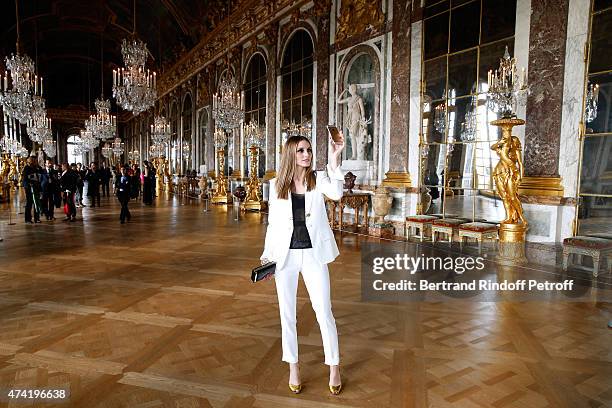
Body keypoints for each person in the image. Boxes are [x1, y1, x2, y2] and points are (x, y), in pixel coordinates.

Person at [260, 130, 346, 395]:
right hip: (284, 257)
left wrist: (334, 159)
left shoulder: (318, 179)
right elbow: (273, 225)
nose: (307, 155)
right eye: (301, 151)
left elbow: (337, 194)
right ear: (291, 154)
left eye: (308, 150)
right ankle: (293, 366)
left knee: (324, 312)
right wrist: (267, 257)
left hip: (313, 255)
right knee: (287, 315)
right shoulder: (276, 185)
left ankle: (334, 366)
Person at [21, 156, 43, 224]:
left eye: (34, 160)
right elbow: (25, 179)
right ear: (29, 161)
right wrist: (29, 183)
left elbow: (40, 174)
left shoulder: (37, 167)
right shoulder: (26, 168)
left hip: (36, 187)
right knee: (29, 203)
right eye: (32, 160)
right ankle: (28, 219)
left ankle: (37, 218)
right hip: (29, 188)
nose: (33, 162)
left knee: (37, 202)